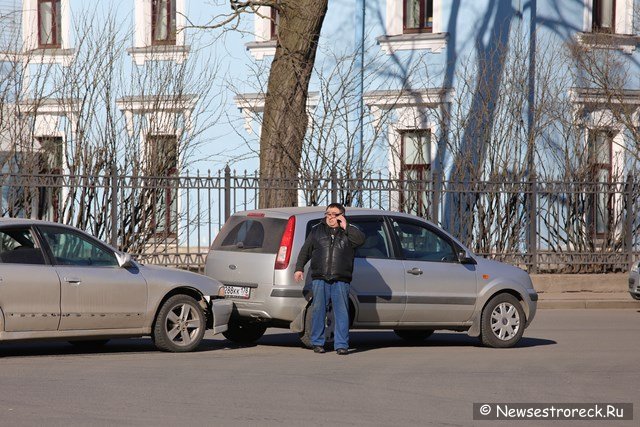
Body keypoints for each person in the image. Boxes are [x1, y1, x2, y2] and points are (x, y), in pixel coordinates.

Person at [294, 203, 365, 355]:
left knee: (341, 312)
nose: (330, 217)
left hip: (341, 278)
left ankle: (341, 344)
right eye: (328, 214)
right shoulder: (317, 230)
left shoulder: (349, 232)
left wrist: (346, 226)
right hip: (320, 277)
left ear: (341, 216)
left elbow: (360, 241)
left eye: (334, 214)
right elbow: (305, 250)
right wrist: (299, 268)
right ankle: (317, 343)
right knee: (319, 310)